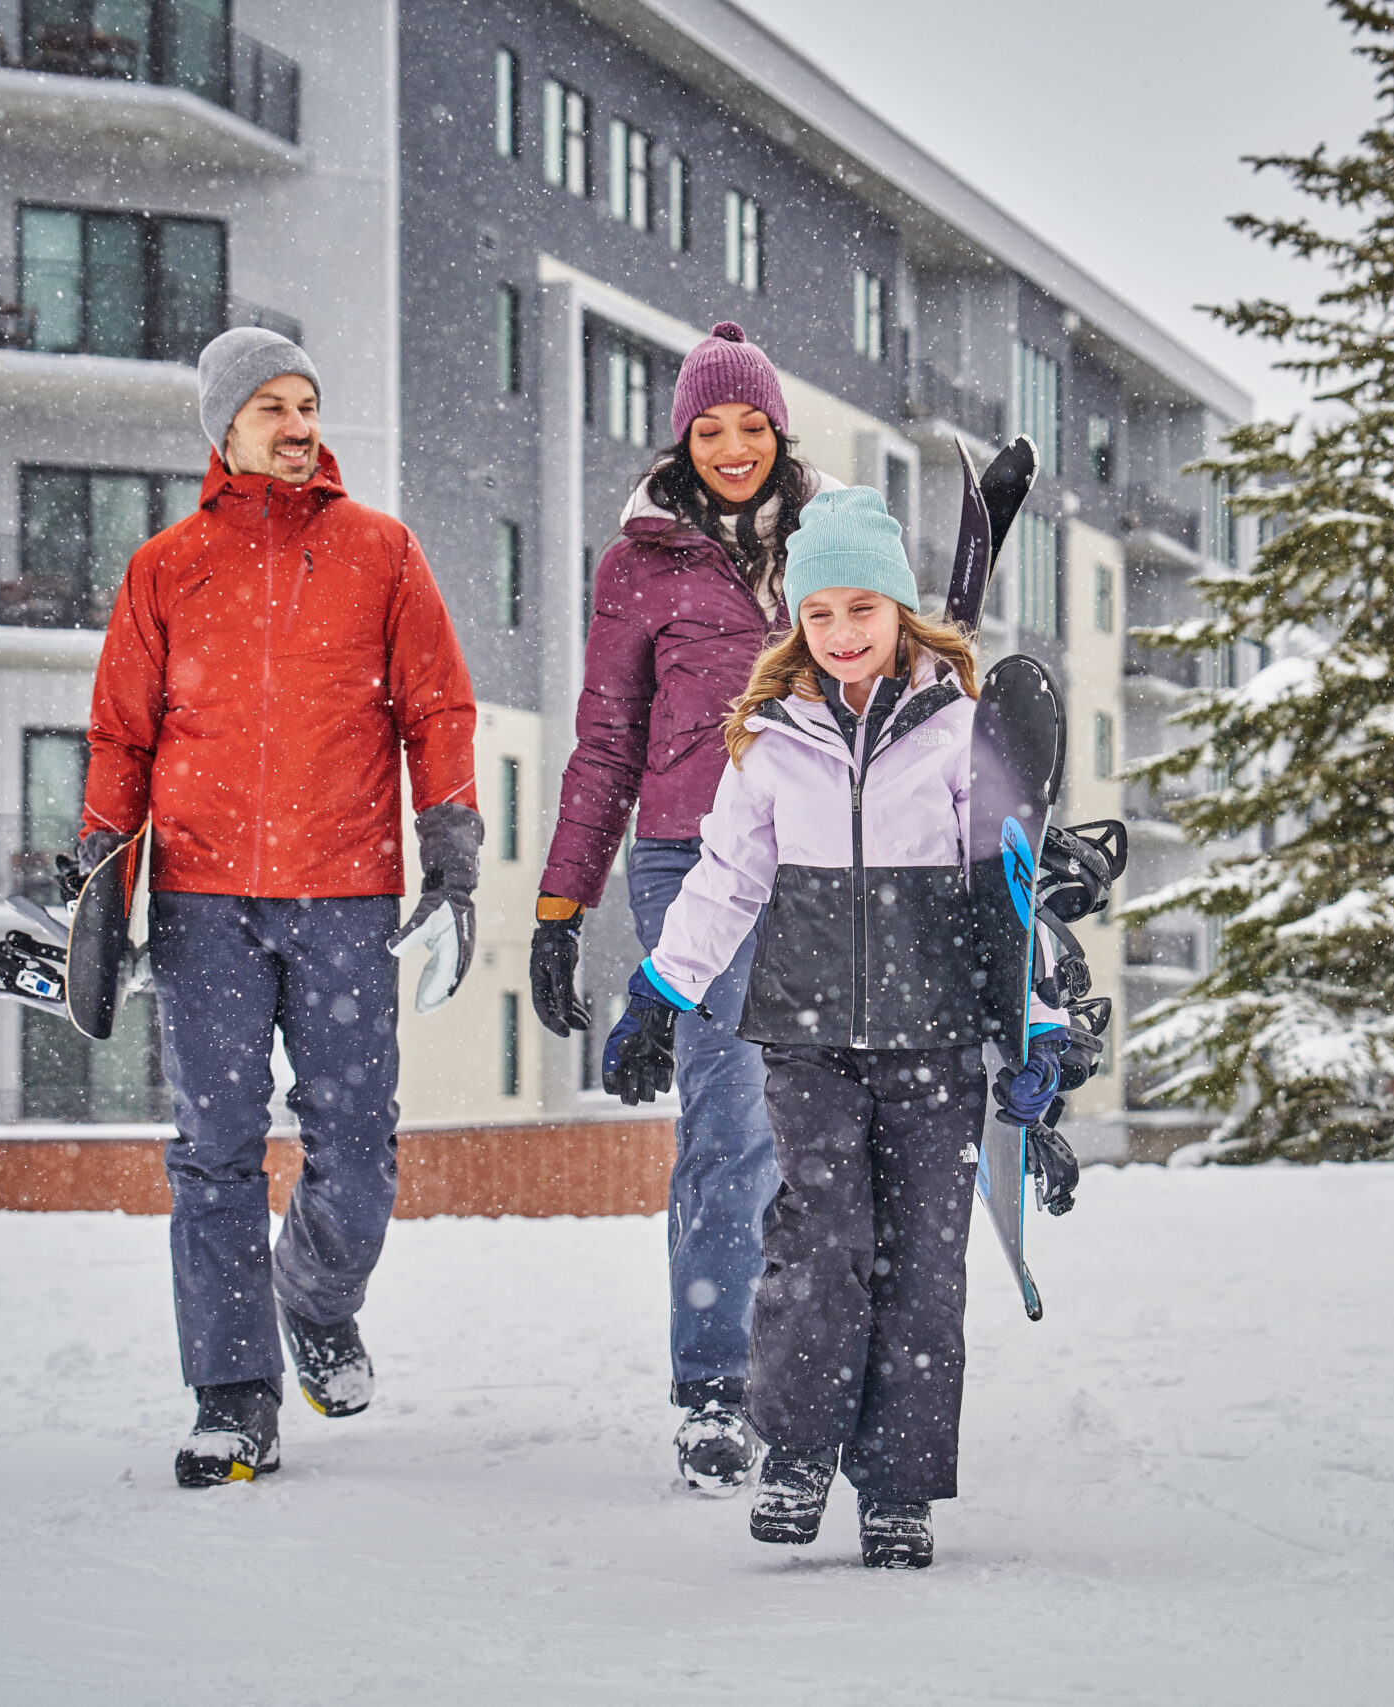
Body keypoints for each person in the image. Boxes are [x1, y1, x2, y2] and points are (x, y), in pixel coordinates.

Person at [600, 487, 1072, 1569]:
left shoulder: (960, 739)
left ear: (902, 613)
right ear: (797, 624)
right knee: (816, 1246)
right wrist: (660, 993)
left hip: (933, 1043)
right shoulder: (769, 743)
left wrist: (1037, 1020)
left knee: (921, 1266)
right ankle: (800, 1452)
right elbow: (723, 883)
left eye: (863, 608)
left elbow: (1010, 898)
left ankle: (899, 1487)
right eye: (820, 613)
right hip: (806, 1040)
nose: (843, 632)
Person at [81, 326, 482, 1487]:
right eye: (271, 407)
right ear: (224, 428)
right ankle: (232, 1396)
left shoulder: (381, 554)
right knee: (213, 1153)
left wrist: (450, 855)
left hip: (346, 893)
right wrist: (103, 873)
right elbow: (122, 733)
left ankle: (313, 1297)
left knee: (356, 1147)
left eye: (307, 403)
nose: (299, 425)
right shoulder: (165, 568)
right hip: (203, 899)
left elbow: (438, 712)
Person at [529, 321, 837, 1493]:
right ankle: (713, 1391)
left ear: (776, 428)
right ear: (682, 438)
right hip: (686, 858)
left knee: (823, 1128)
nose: (730, 447)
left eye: (748, 425)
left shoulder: (833, 542)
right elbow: (605, 744)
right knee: (728, 1123)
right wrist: (562, 907)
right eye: (708, 429)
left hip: (826, 862)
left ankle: (812, 1370)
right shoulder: (643, 565)